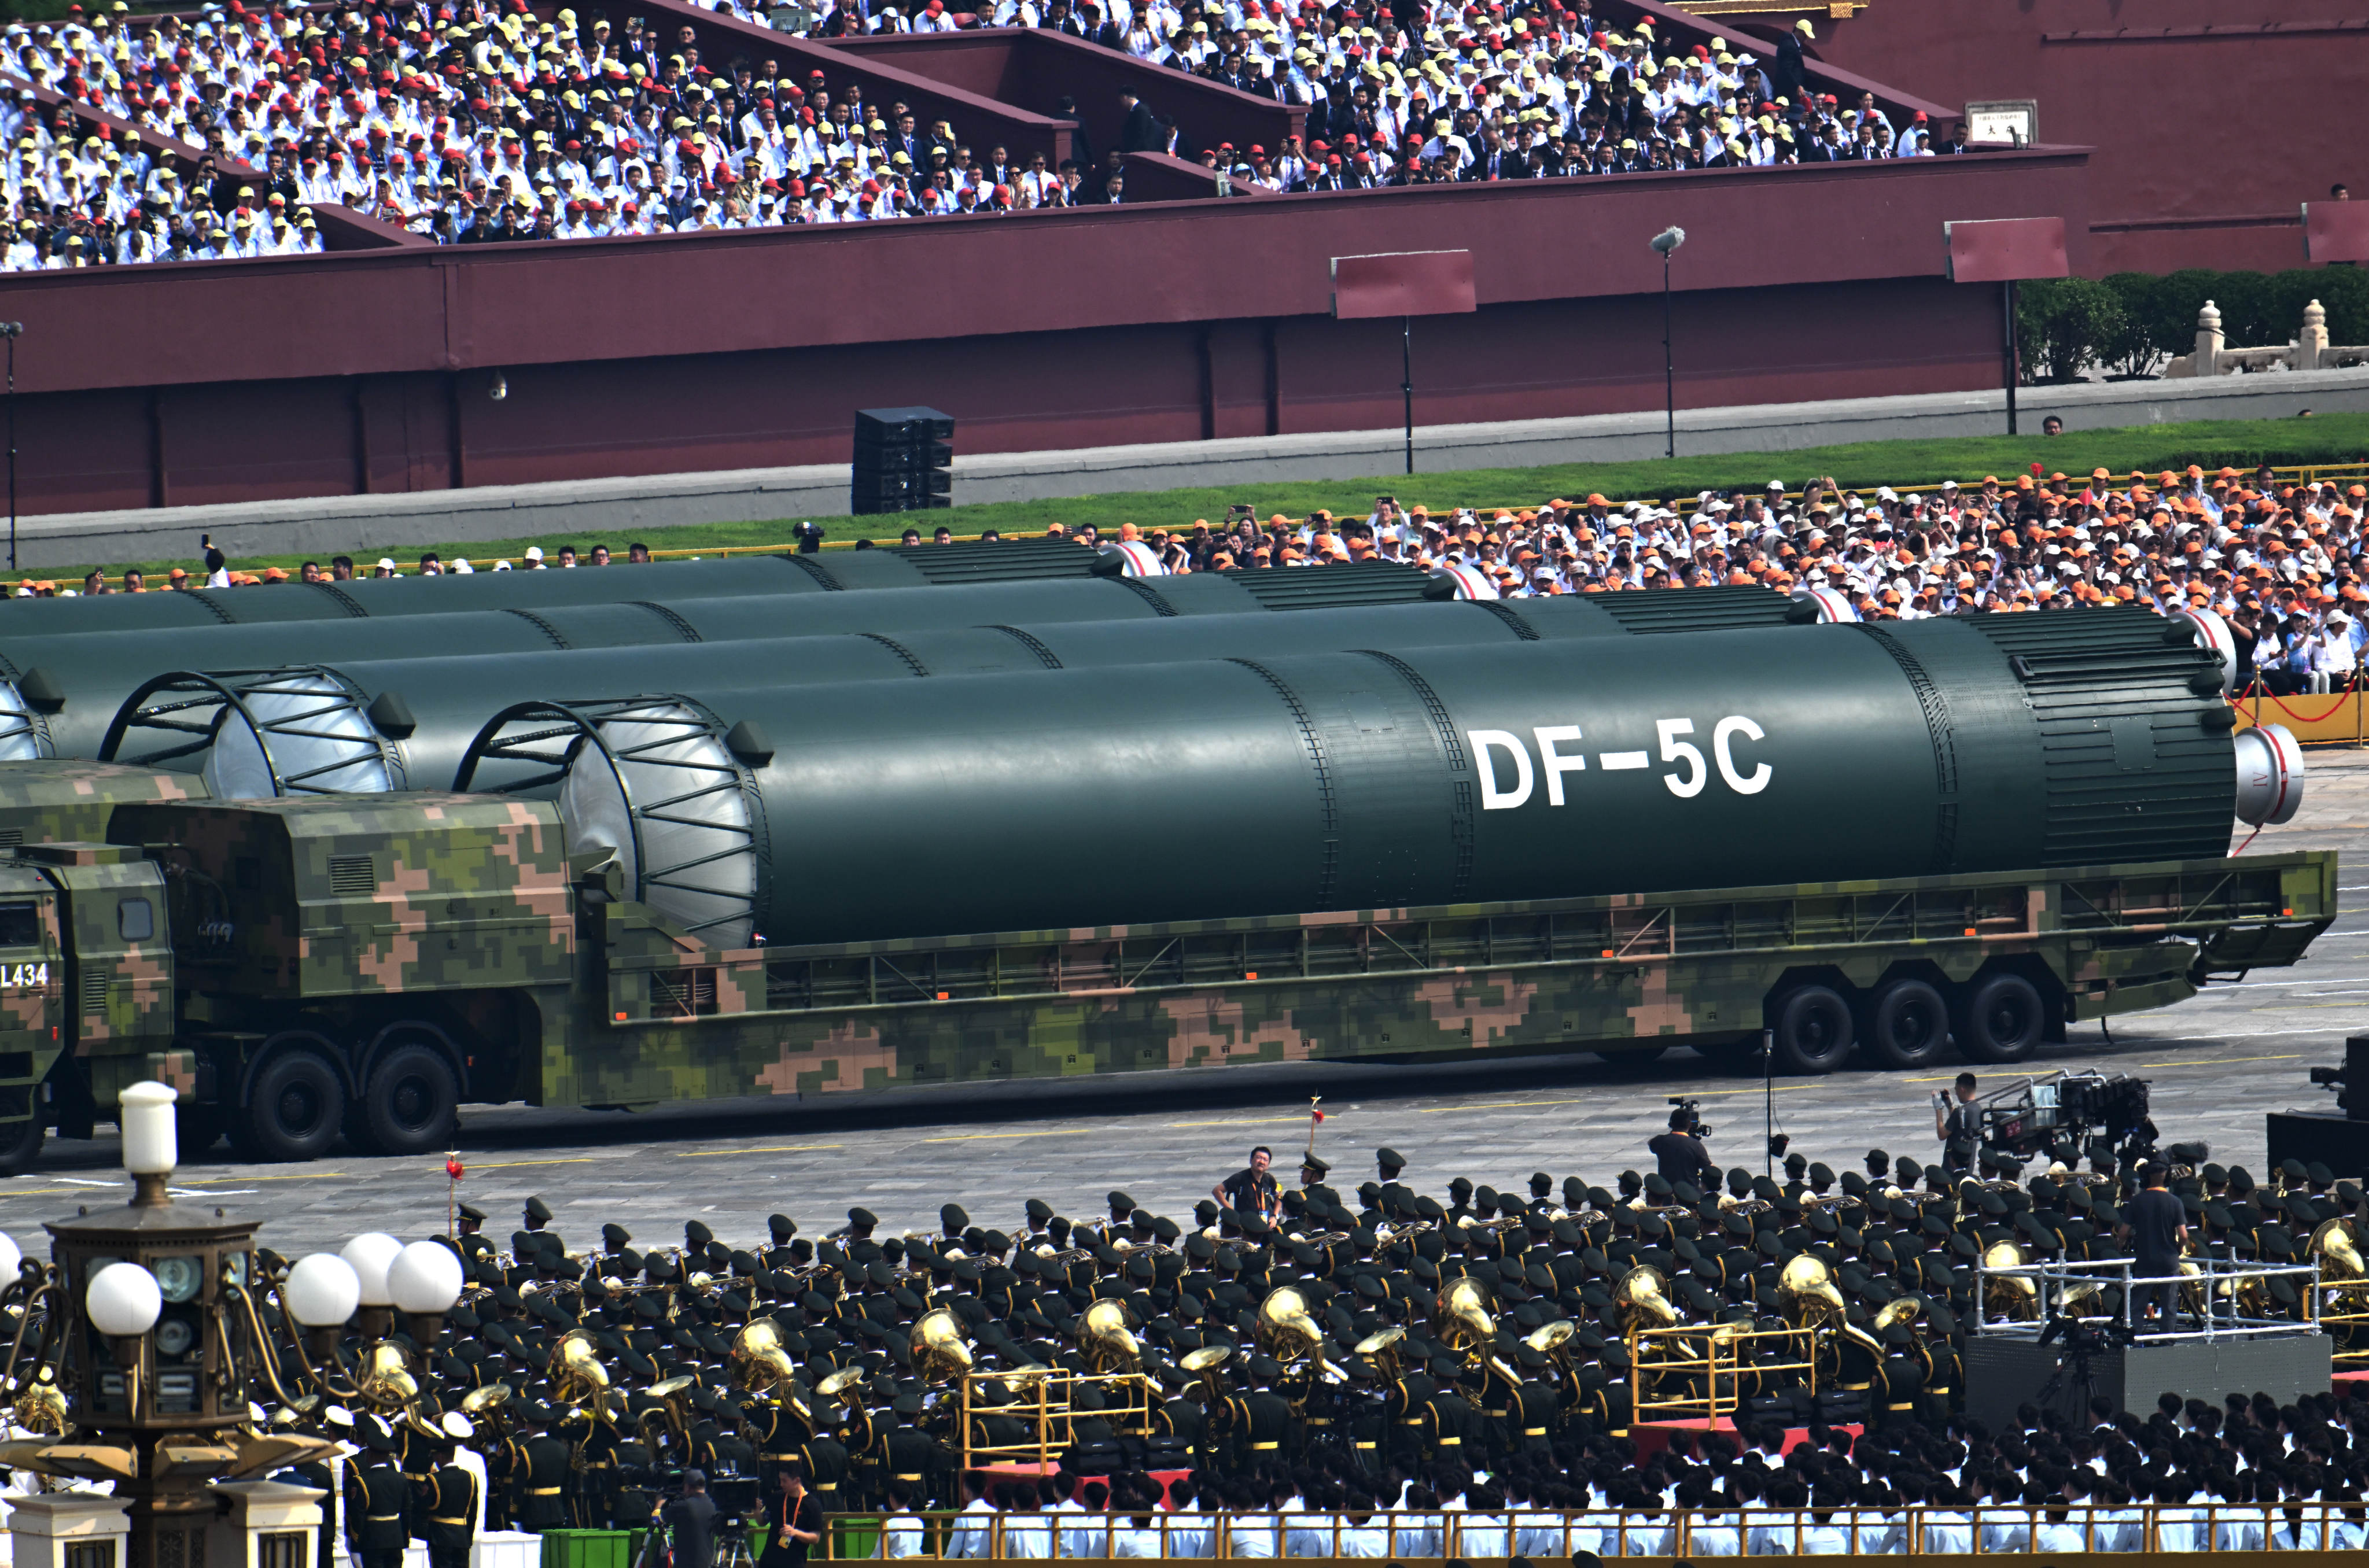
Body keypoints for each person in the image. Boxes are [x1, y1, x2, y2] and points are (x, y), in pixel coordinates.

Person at [2121, 1160, 2189, 1328]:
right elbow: (2183, 1235)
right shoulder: (2175, 1202)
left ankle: (2134, 1339)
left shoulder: (2137, 1201)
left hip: (2146, 1260)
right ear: (2166, 1177)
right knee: (2169, 1306)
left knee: (2138, 1305)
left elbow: (2123, 1232)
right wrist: (2179, 1248)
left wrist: (2120, 1246)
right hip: (2169, 1260)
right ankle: (2167, 1340)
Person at [759, 1461, 823, 1568]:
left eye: (785, 1481)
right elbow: (762, 1522)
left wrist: (795, 1533)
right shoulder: (776, 1498)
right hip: (769, 1560)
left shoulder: (812, 1505)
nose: (781, 1484)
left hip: (794, 1562)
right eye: (780, 1480)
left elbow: (815, 1538)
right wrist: (756, 1510)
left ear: (797, 1481)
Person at [1646, 1106, 1718, 1185]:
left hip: (1667, 1191)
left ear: (1671, 1124)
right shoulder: (1696, 1145)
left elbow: (1650, 1143)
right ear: (1689, 1124)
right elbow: (1710, 1169)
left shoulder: (1660, 1141)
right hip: (1690, 1192)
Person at [666, 1469, 720, 1568]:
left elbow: (660, 1519)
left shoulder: (684, 1506)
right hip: (707, 1563)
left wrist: (659, 1502)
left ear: (687, 1487)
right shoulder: (713, 1506)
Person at [1214, 1145, 1281, 1220]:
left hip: (1264, 1225)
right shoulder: (1239, 1178)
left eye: (1265, 1160)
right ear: (1251, 1160)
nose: (1262, 1162)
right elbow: (1217, 1191)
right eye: (1258, 1158)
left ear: (1268, 1165)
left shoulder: (1269, 1179)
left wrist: (1274, 1216)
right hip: (1245, 1225)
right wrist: (1232, 1212)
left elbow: (1279, 1197)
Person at [1934, 1072, 1981, 1174]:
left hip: (1952, 1169)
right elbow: (1959, 1125)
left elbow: (1942, 1135)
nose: (1956, 1093)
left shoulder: (1960, 1112)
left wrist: (1938, 1109)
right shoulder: (1978, 1109)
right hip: (1968, 1167)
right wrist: (1950, 1107)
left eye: (1956, 1090)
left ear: (1962, 1090)